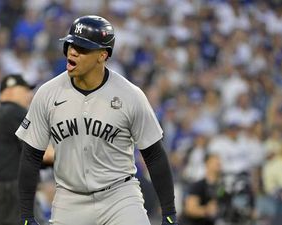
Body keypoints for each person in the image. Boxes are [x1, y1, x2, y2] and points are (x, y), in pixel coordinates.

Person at [15, 15, 178, 225]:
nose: (72, 51)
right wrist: (26, 215)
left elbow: (154, 155)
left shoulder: (130, 95)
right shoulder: (47, 94)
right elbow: (30, 156)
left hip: (120, 196)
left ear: (102, 55)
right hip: (69, 199)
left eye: (82, 48)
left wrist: (169, 212)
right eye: (70, 44)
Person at [0, 74, 49, 225]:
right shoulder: (13, 112)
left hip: (3, 193)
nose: (30, 94)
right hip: (14, 193)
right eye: (25, 90)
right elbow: (42, 152)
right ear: (8, 92)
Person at [181, 153, 222, 225]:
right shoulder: (198, 185)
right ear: (207, 164)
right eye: (215, 161)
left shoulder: (222, 186)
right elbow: (190, 209)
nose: (218, 163)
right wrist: (207, 210)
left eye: (219, 161)